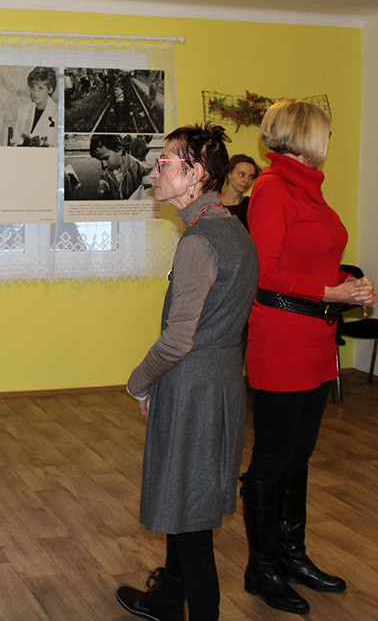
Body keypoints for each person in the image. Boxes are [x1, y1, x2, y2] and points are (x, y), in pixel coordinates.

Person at [116, 124, 258, 621]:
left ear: (195, 174)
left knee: (192, 527)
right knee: (185, 504)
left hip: (193, 387)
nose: (155, 171)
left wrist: (138, 381)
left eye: (166, 163)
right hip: (220, 383)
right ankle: (165, 600)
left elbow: (178, 340)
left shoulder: (200, 242)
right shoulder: (232, 230)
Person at [242, 100, 375, 615]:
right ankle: (262, 568)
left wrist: (348, 285)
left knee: (300, 454)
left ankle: (291, 554)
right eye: (326, 132)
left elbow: (314, 262)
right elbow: (265, 271)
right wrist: (329, 291)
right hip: (282, 338)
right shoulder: (272, 188)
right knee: (272, 457)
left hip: (317, 338)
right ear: (305, 136)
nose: (329, 140)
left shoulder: (309, 190)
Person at [91, 133, 148, 199]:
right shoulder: (108, 172)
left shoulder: (143, 171)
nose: (104, 164)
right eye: (100, 160)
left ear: (119, 150)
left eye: (106, 158)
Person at [13, 66, 59, 146]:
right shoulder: (23, 110)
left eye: (40, 88)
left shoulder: (57, 112)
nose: (35, 92)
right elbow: (15, 139)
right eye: (33, 87)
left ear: (50, 89)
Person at [220, 154, 259, 230]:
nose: (246, 180)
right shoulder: (213, 204)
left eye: (251, 177)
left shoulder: (252, 205)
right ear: (229, 174)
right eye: (242, 175)